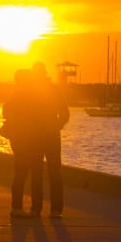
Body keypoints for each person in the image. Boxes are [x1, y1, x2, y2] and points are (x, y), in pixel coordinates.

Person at [2, 69, 45, 217]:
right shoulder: (36, 95)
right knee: (36, 175)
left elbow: (6, 112)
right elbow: (41, 117)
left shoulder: (14, 96)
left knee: (20, 173)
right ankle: (36, 209)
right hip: (35, 139)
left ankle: (17, 207)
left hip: (18, 139)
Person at [32, 62, 70, 218]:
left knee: (38, 172)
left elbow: (64, 113)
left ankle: (36, 208)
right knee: (54, 173)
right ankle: (55, 210)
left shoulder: (31, 91)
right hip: (48, 135)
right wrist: (57, 125)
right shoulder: (52, 90)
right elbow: (65, 113)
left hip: (36, 136)